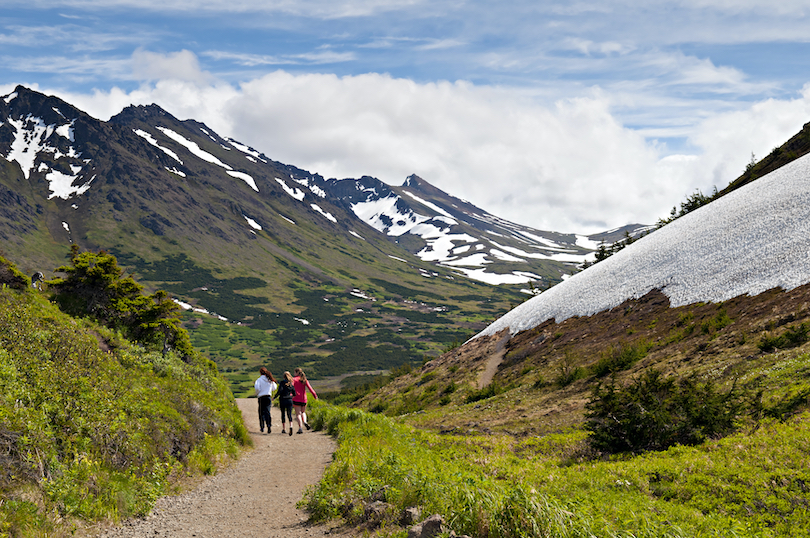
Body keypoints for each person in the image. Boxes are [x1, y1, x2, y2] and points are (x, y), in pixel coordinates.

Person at [292, 367, 317, 434]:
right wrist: (315, 395)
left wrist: (290, 394)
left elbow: (291, 388)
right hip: (303, 399)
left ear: (297, 373)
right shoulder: (304, 380)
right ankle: (305, 422)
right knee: (303, 412)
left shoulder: (294, 379)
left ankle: (300, 428)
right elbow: (310, 388)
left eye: (294, 372)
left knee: (298, 414)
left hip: (296, 398)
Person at [254, 367, 277, 434]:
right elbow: (274, 388)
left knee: (261, 412)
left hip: (261, 397)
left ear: (260, 372)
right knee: (267, 412)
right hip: (268, 397)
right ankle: (269, 426)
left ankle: (262, 427)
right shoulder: (269, 380)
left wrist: (258, 393)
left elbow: (257, 388)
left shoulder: (259, 380)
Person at [275, 371, 296, 436]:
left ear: (284, 376)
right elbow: (294, 393)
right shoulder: (291, 384)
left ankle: (284, 429)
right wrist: (290, 396)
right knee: (289, 414)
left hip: (283, 399)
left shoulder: (282, 383)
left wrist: (275, 397)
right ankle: (291, 426)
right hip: (289, 399)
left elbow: (280, 391)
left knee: (283, 414)